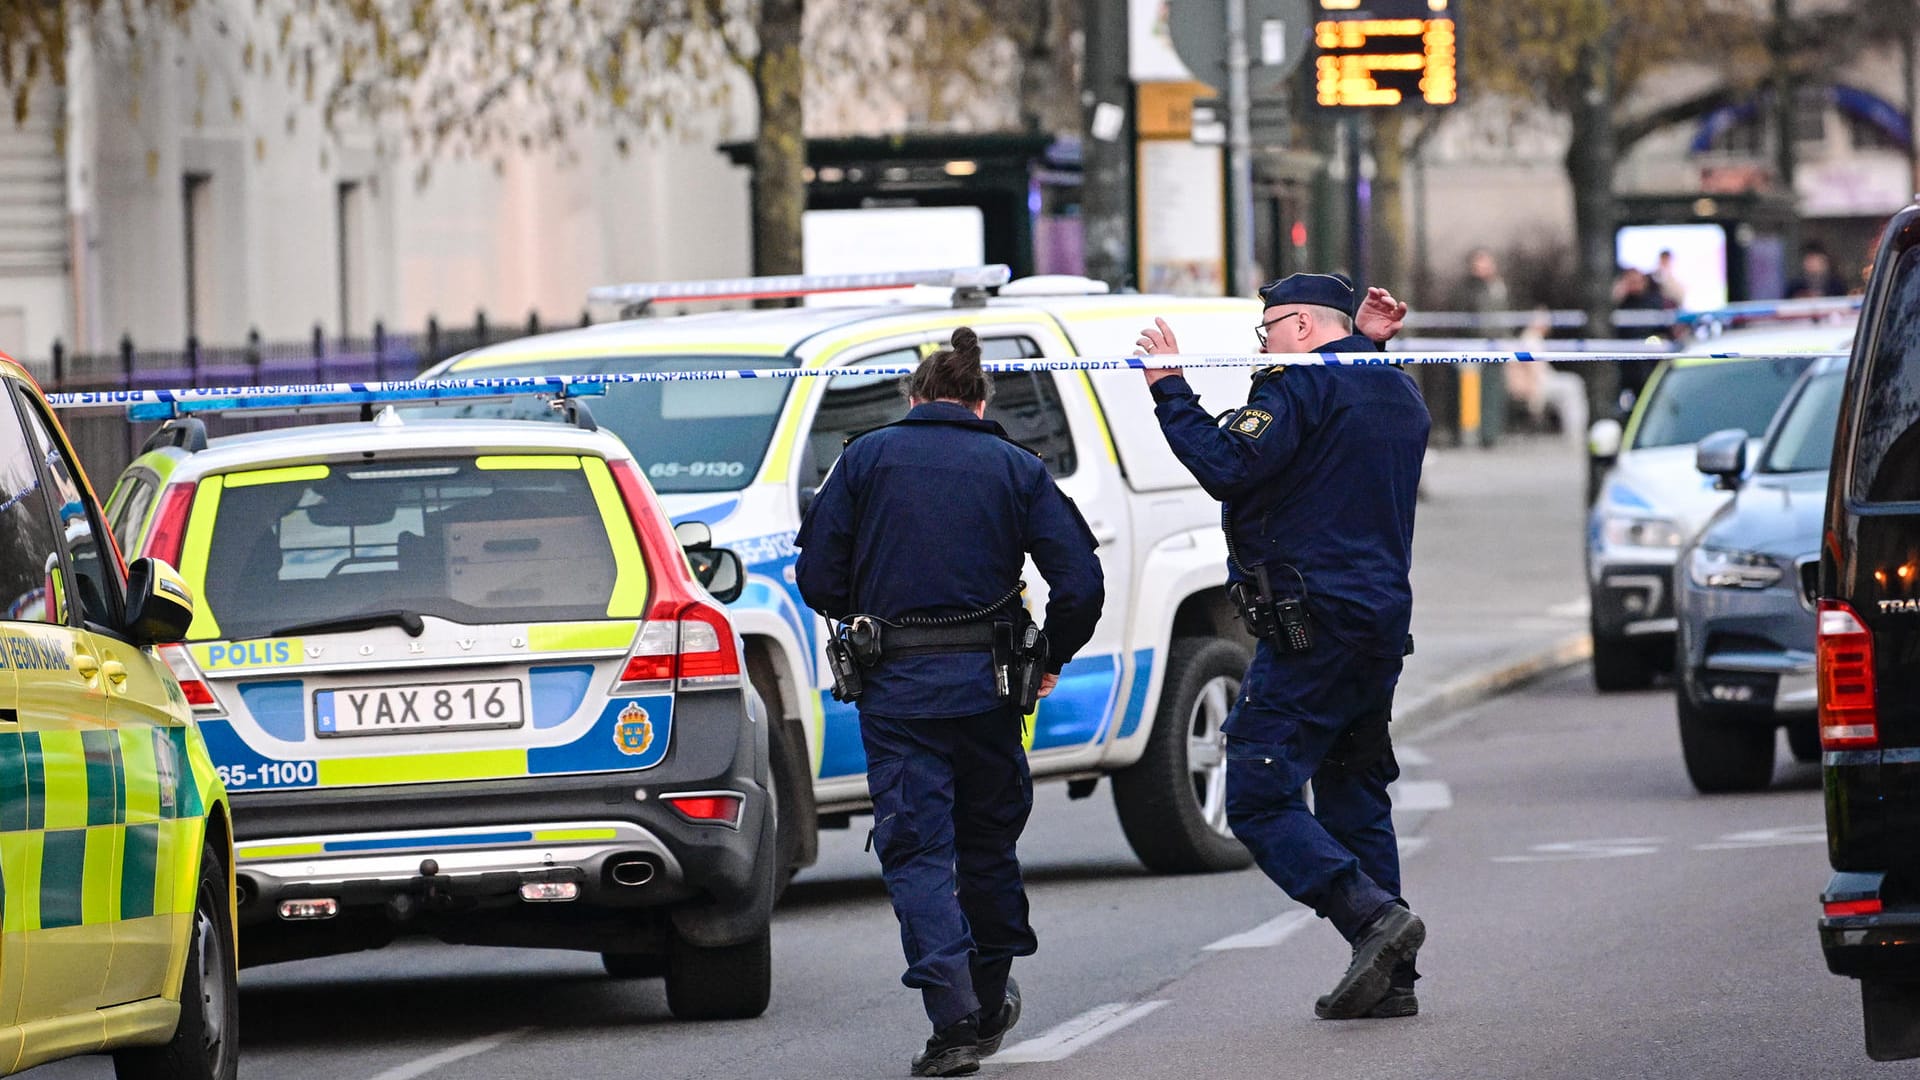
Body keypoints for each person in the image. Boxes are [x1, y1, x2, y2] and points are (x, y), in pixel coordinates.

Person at [794, 327, 1105, 1077]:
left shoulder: (864, 458)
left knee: (918, 853)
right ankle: (991, 994)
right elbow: (1082, 584)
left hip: (898, 695)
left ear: (913, 399)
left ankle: (954, 1018)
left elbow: (816, 578)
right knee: (989, 843)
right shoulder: (1015, 466)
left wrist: (868, 610)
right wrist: (1050, 656)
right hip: (992, 692)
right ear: (980, 400)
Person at [1133, 273, 1429, 1021]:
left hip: (1313, 622)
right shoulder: (1394, 386)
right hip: (1377, 623)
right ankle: (1393, 980)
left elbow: (1230, 465)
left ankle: (1370, 919)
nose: (1263, 347)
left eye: (1267, 332)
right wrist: (1362, 342)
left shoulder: (1298, 385)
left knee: (1259, 794)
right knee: (1354, 792)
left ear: (1299, 326)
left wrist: (1169, 386)